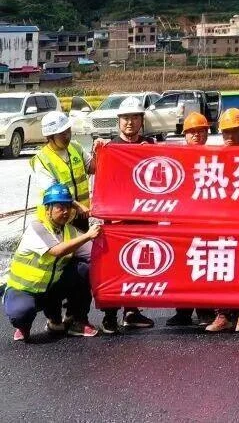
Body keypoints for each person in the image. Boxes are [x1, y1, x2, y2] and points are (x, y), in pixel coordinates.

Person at [91, 96, 155, 334]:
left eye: (135, 118)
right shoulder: (109, 148)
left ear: (141, 121)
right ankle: (110, 315)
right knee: (115, 265)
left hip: (143, 216)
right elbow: (96, 174)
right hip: (117, 218)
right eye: (126, 118)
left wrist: (152, 153)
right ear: (119, 121)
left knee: (138, 262)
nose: (130, 122)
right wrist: (97, 152)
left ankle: (132, 311)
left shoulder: (151, 146)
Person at [5, 183, 100, 341]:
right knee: (21, 313)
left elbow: (93, 253)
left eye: (68, 207)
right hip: (24, 290)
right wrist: (88, 235)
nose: (65, 211)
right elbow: (57, 250)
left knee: (84, 268)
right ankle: (24, 325)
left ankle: (76, 320)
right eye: (60, 207)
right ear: (47, 209)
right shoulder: (37, 228)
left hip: (50, 290)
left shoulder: (69, 231)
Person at [205, 108, 239, 333]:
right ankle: (222, 314)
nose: (230, 136)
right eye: (226, 132)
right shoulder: (213, 157)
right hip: (220, 221)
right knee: (221, 266)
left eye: (234, 131)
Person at [166, 112, 217, 328]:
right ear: (185, 135)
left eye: (200, 131)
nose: (196, 135)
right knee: (182, 267)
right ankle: (183, 311)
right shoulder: (176, 157)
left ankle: (206, 310)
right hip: (181, 220)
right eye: (192, 132)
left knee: (202, 264)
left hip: (206, 220)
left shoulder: (216, 157)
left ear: (207, 133)